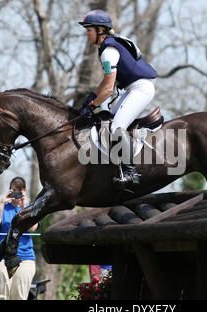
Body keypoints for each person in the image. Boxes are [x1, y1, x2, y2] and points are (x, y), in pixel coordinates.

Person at [78, 9, 157, 185]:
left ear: (100, 30)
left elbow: (108, 89)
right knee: (110, 123)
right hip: (133, 88)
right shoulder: (108, 46)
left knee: (116, 126)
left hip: (140, 89)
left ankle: (130, 172)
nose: (86, 35)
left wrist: (92, 106)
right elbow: (106, 83)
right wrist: (92, 96)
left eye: (89, 30)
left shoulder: (108, 51)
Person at [0, 176, 39, 300]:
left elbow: (32, 228)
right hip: (1, 257)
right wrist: (1, 203)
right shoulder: (3, 208)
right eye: (13, 190)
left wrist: (24, 207)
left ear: (24, 191)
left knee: (20, 296)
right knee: (0, 296)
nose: (16, 194)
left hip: (25, 257)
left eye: (18, 190)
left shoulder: (30, 208)